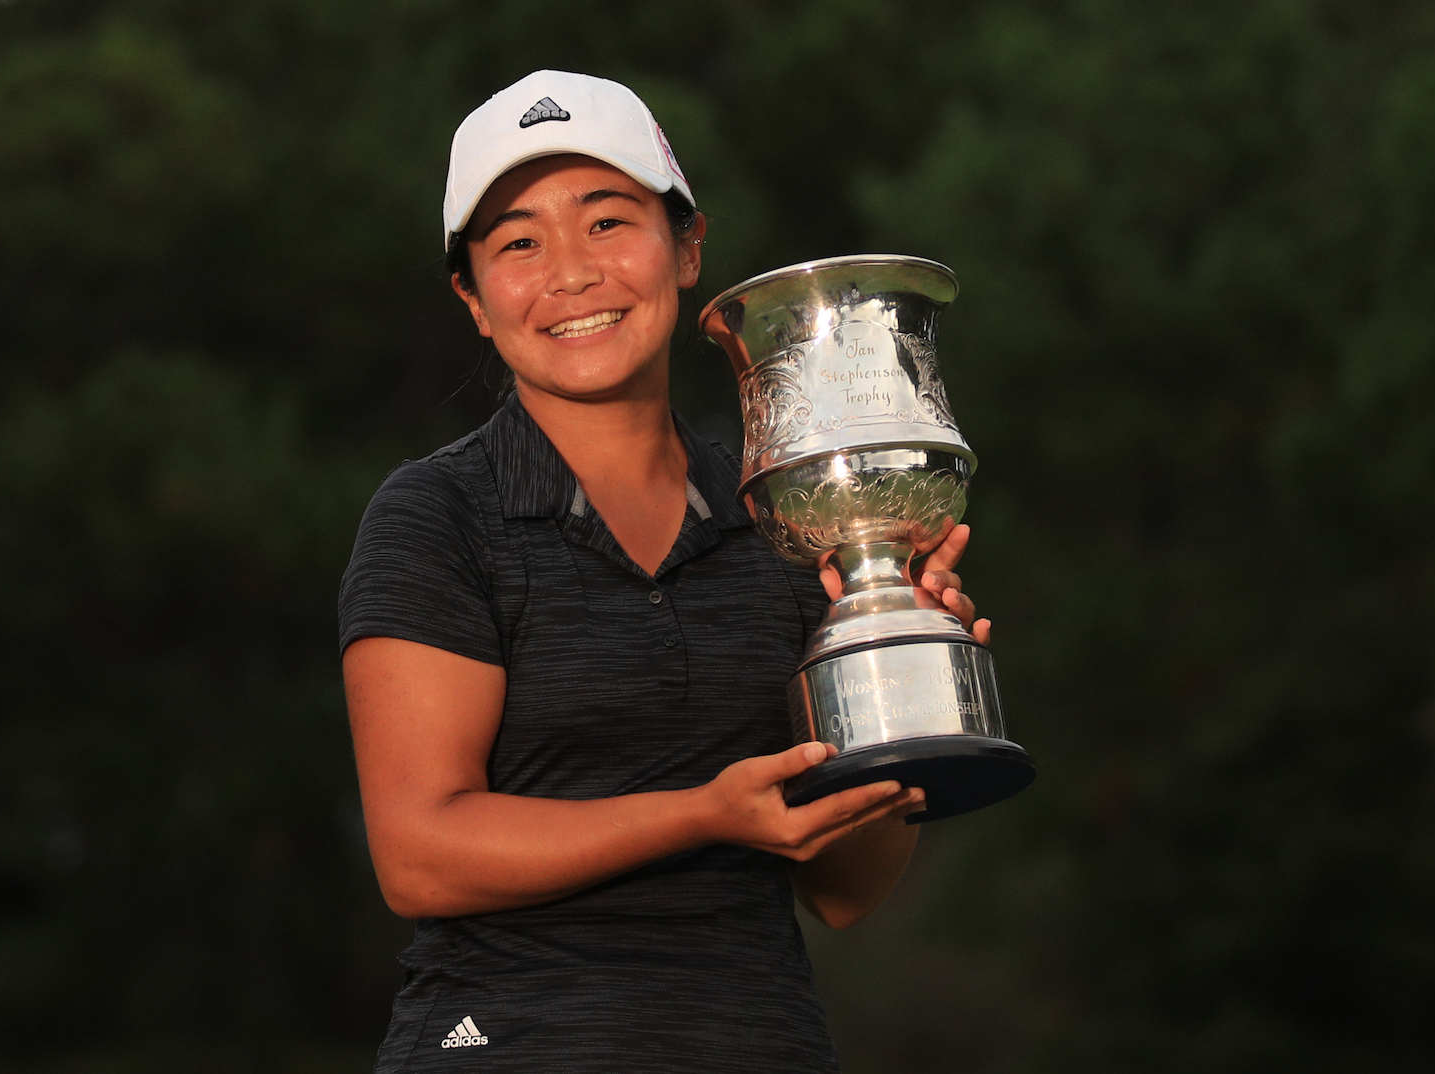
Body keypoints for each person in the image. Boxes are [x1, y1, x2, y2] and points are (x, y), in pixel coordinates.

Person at [339, 70, 991, 1074]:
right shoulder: (438, 516)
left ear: (687, 249)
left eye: (608, 221)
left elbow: (845, 890)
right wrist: (703, 813)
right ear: (472, 298)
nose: (570, 271)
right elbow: (421, 855)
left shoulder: (779, 503)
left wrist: (896, 694)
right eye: (518, 241)